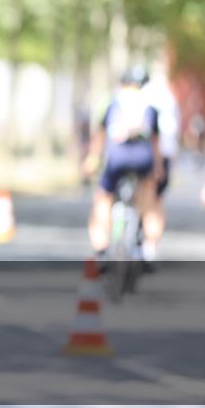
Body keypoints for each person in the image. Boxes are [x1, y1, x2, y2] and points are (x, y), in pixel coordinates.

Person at [82, 65, 163, 269]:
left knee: (103, 198)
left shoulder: (113, 102)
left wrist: (92, 159)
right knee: (149, 198)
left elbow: (100, 135)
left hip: (116, 159)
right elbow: (155, 142)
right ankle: (148, 247)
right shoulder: (150, 106)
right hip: (143, 159)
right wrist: (159, 167)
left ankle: (100, 250)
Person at [141, 73, 180, 263]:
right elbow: (173, 130)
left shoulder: (136, 96)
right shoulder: (169, 98)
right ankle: (151, 247)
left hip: (142, 151)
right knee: (156, 200)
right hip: (164, 152)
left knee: (143, 195)